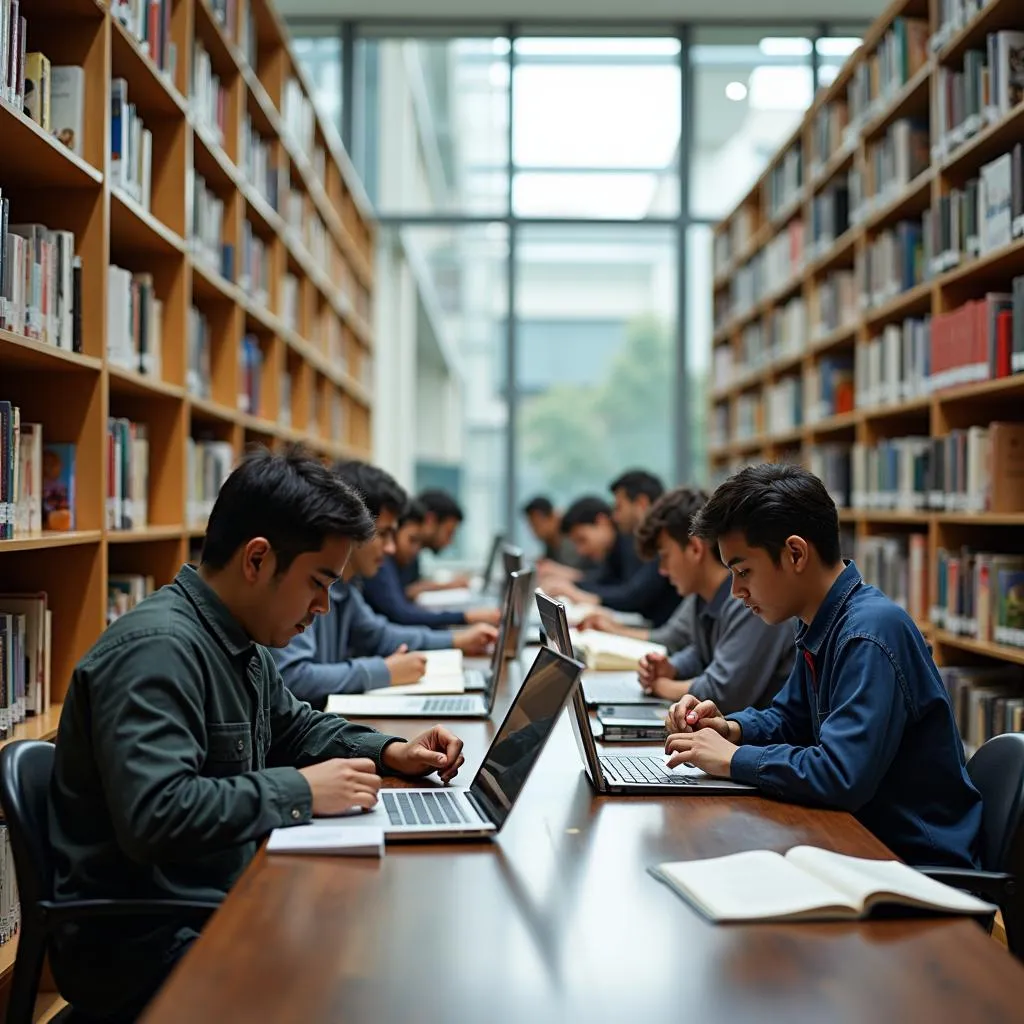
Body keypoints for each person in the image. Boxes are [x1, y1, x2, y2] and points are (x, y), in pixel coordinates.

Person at [47, 446, 468, 1021]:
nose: (323, 606)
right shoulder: (158, 652)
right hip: (148, 940)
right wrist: (301, 791)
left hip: (213, 900)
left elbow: (295, 726)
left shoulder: (238, 639)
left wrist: (391, 750)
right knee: (367, 986)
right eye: (318, 582)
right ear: (257, 560)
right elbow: (156, 814)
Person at [663, 463, 982, 869]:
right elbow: (789, 718)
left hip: (916, 865)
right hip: (861, 844)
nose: (736, 591)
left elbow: (841, 776)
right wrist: (730, 729)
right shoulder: (822, 621)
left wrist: (731, 759)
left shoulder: (868, 633)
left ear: (795, 553)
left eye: (744, 571)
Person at [274, 462, 497, 707]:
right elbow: (293, 678)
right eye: (383, 534)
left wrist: (457, 641)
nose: (391, 548)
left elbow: (381, 635)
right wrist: (385, 671)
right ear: (350, 527)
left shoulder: (346, 589)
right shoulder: (303, 588)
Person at [612, 486, 794, 710]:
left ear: (695, 549)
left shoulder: (751, 600)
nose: (662, 570)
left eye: (665, 556)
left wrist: (661, 685)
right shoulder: (701, 597)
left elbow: (724, 693)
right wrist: (673, 668)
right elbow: (702, 653)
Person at [540, 489, 680, 628]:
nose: (615, 516)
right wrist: (572, 583)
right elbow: (604, 580)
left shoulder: (631, 542)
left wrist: (581, 594)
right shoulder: (616, 548)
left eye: (618, 508)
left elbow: (633, 595)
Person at [362, 499, 500, 629]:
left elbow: (408, 593)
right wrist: (465, 618)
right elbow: (401, 614)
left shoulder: (398, 558)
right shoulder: (382, 561)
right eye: (449, 533)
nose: (390, 548)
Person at [399, 488, 470, 598]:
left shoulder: (414, 553)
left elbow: (413, 586)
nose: (450, 542)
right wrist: (448, 586)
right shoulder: (399, 549)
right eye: (449, 533)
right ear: (430, 520)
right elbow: (404, 593)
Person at [521, 495, 588, 573]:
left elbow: (580, 574)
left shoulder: (570, 539)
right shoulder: (549, 540)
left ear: (553, 517)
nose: (535, 530)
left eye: (538, 524)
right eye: (532, 525)